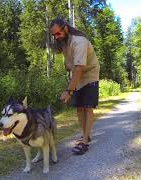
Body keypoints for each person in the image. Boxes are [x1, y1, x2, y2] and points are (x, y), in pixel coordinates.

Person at [49, 18, 100, 155]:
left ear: (65, 28)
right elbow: (71, 64)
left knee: (87, 107)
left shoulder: (80, 42)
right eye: (54, 35)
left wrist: (68, 90)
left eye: (57, 34)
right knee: (79, 108)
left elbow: (78, 69)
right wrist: (67, 65)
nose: (56, 37)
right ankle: (85, 135)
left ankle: (84, 142)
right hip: (77, 75)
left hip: (89, 74)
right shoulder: (65, 42)